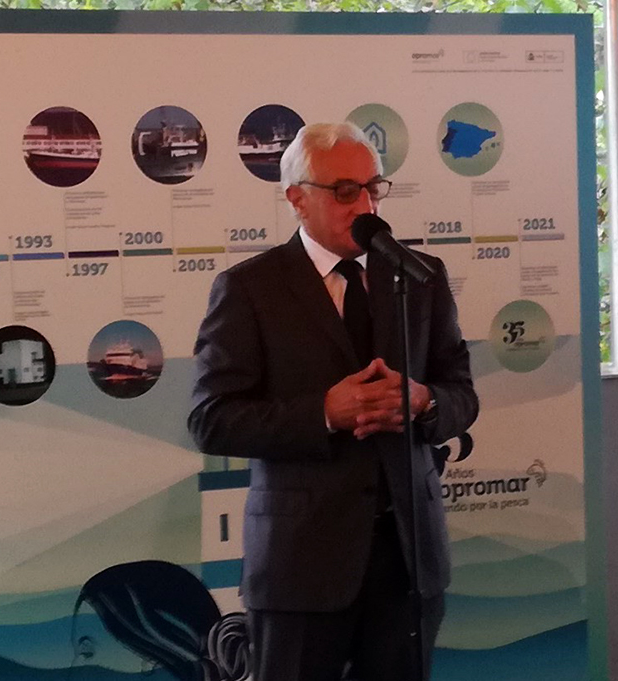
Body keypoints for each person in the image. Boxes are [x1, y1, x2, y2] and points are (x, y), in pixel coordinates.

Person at [187, 122, 478, 681]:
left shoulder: (419, 277)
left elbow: (462, 393)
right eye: (345, 191)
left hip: (408, 560)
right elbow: (211, 419)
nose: (365, 205)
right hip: (301, 565)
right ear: (297, 199)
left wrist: (424, 402)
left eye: (373, 188)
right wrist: (324, 412)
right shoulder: (249, 289)